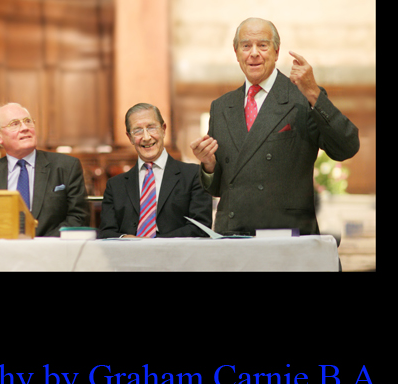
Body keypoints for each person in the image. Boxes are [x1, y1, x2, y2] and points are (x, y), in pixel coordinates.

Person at [190, 17, 360, 235]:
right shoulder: (221, 107)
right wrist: (209, 165)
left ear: (277, 51)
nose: (253, 53)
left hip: (286, 233)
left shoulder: (302, 97)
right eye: (246, 46)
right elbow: (217, 188)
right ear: (236, 52)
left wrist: (314, 94)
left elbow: (347, 147)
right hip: (232, 235)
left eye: (262, 45)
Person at [0, 103, 90, 237]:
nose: (25, 128)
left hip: (52, 247)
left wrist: (39, 245)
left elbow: (78, 217)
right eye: (15, 124)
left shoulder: (66, 166)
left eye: (28, 121)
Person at [99, 103, 213, 238]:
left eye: (151, 128)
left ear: (163, 130)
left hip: (176, 250)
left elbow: (201, 227)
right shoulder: (115, 185)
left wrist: (153, 243)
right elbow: (106, 232)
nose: (146, 137)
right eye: (137, 131)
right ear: (130, 138)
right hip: (129, 251)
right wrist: (125, 238)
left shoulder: (193, 175)